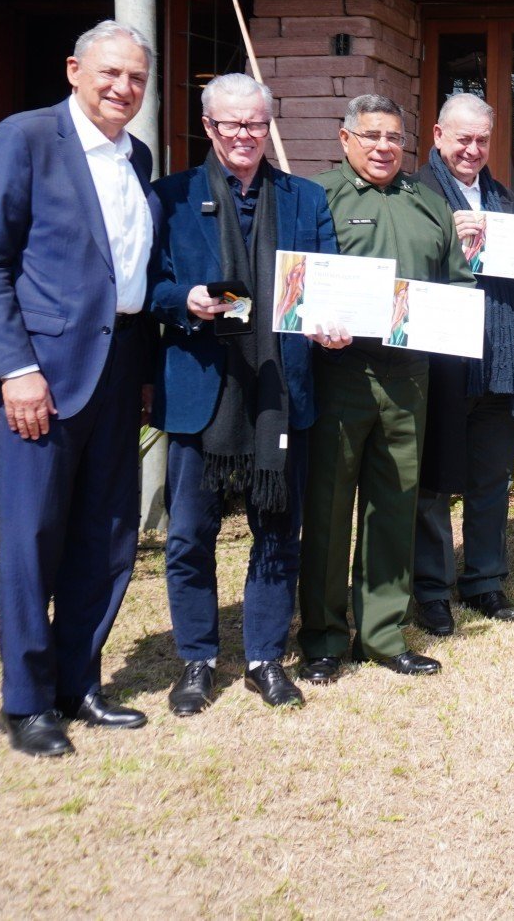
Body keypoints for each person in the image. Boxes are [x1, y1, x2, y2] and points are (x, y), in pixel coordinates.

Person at [0, 20, 158, 757]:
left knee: (106, 538)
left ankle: (79, 682)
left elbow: (123, 274)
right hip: (37, 378)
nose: (122, 88)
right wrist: (15, 368)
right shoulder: (27, 138)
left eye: (136, 77)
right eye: (109, 73)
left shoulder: (138, 156)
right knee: (33, 539)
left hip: (117, 370)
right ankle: (26, 702)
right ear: (75, 69)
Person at [148, 73, 339, 715]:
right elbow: (149, 288)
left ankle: (263, 657)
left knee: (279, 530)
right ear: (207, 127)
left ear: (269, 127)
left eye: (255, 123)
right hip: (205, 391)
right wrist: (185, 301)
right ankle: (197, 660)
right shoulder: (171, 197)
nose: (243, 135)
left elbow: (327, 285)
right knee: (189, 537)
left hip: (280, 390)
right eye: (230, 124)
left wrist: (331, 325)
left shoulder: (306, 200)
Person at [297, 94, 473, 684]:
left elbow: (456, 282)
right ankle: (323, 637)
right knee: (328, 510)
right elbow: (294, 282)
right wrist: (313, 322)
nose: (383, 147)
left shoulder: (428, 202)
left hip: (408, 378)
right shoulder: (315, 196)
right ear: (345, 139)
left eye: (394, 137)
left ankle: (382, 632)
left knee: (394, 505)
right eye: (370, 136)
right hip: (337, 374)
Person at [409, 93, 514, 636]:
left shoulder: (503, 198)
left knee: (492, 478)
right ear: (437, 135)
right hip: (443, 359)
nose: (472, 149)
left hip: (501, 359)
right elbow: (403, 267)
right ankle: (433, 589)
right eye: (462, 138)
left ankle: (485, 580)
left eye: (482, 139)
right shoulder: (414, 192)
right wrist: (449, 245)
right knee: (435, 481)